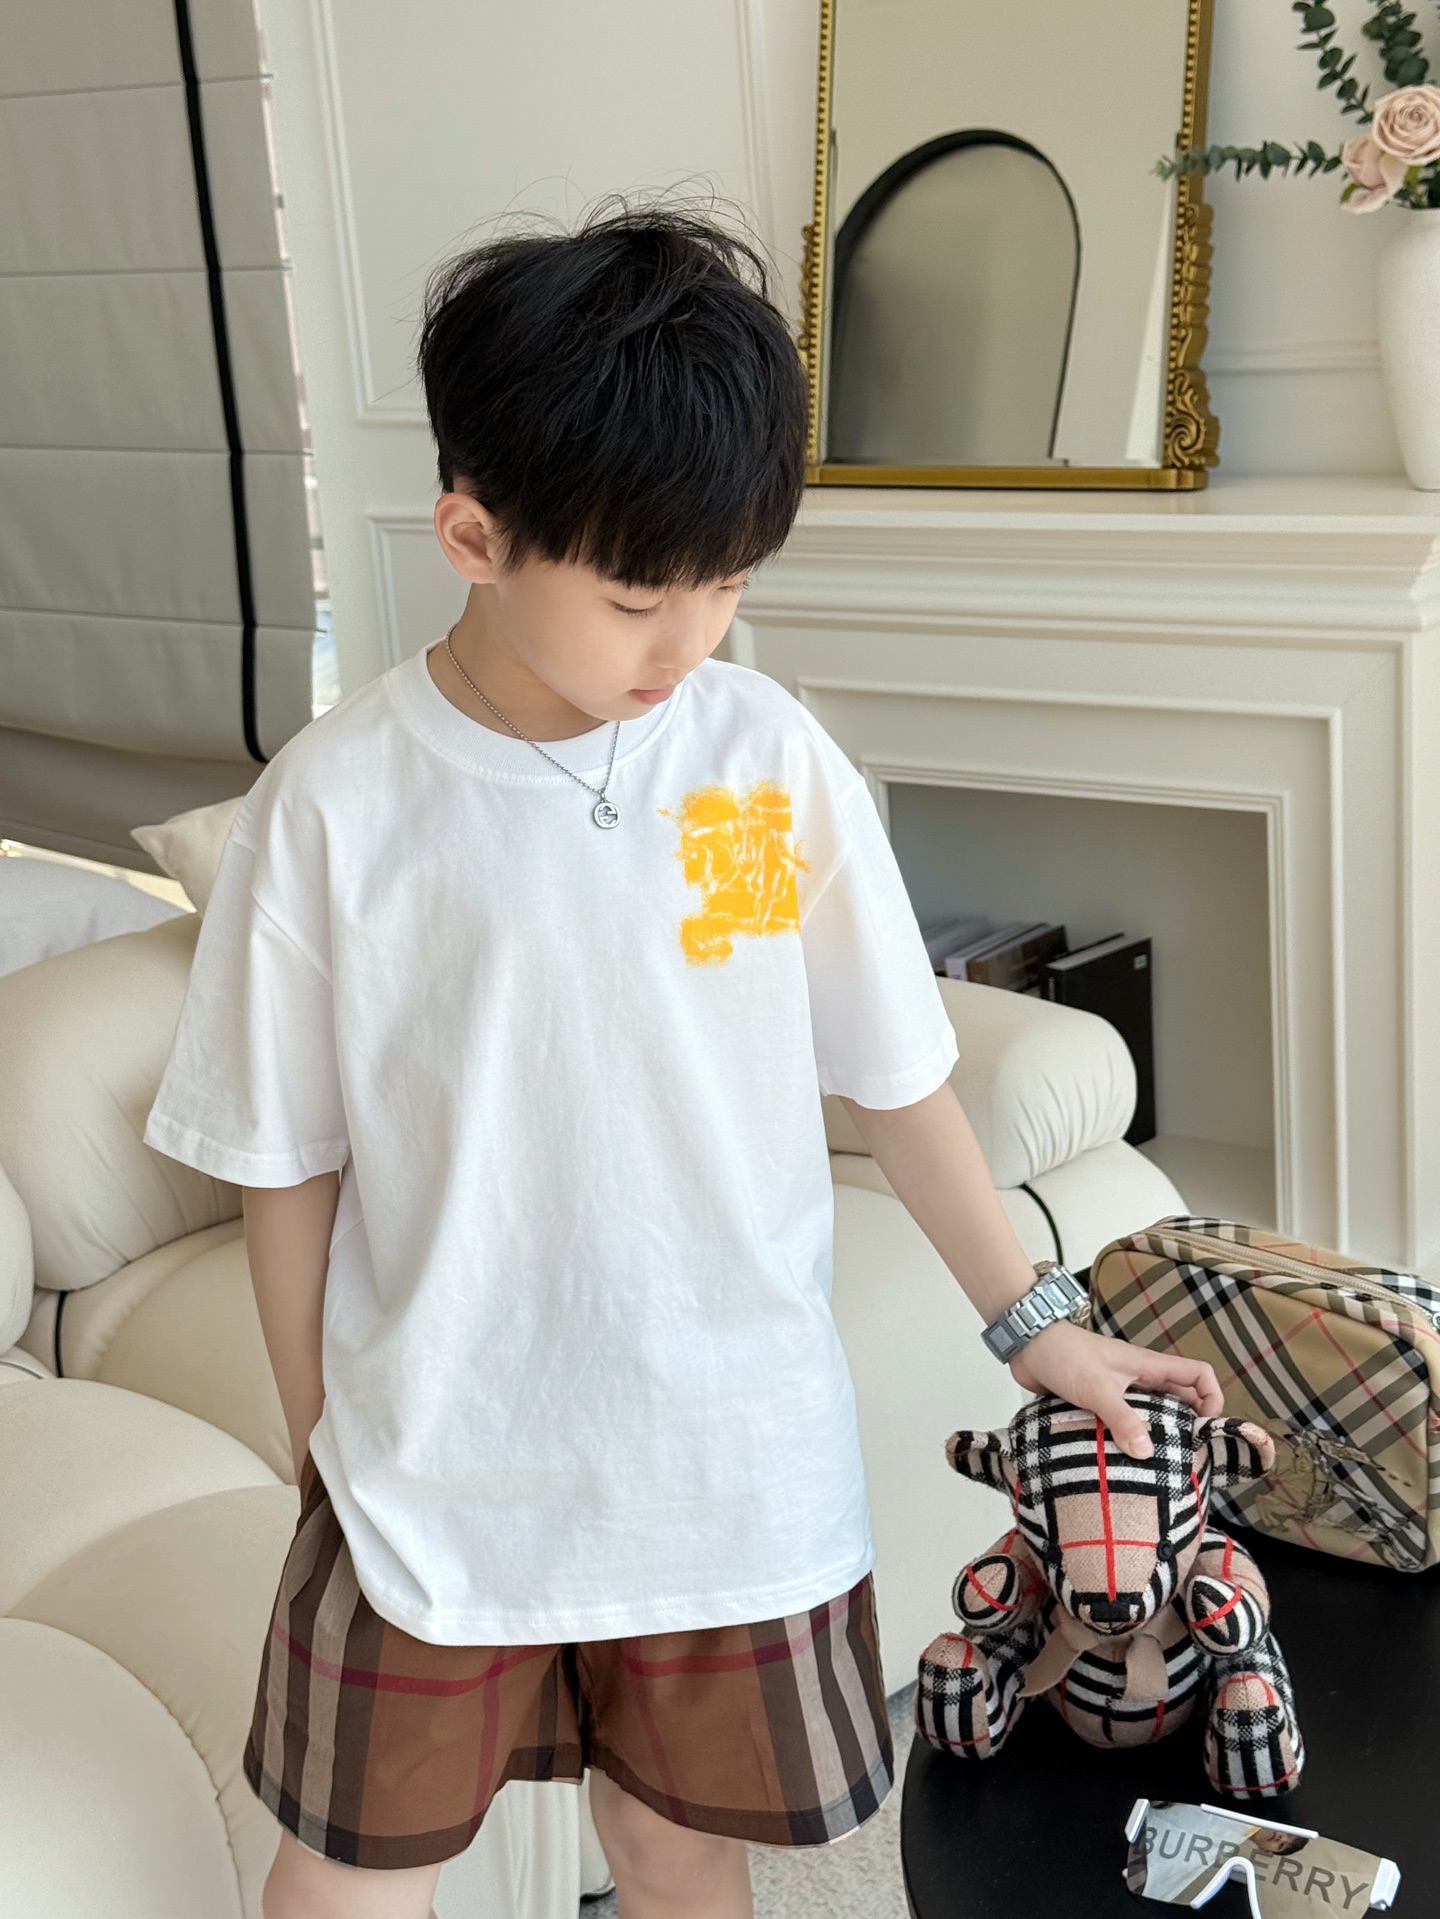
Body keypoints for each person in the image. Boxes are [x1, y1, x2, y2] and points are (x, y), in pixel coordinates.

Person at [144, 206, 1221, 1919]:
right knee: (351, 1866)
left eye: (730, 583)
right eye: (642, 596)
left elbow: (896, 1076)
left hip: (724, 1451)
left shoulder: (759, 763)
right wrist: (317, 1444)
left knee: (675, 1849)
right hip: (431, 1465)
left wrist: (1039, 1325)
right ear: (474, 536)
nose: (693, 639)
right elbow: (283, 1160)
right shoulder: (335, 808)